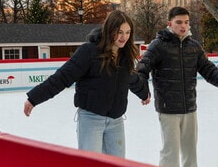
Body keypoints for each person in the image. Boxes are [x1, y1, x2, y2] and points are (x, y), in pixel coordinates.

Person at [24, 10, 150, 158]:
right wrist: (34, 98)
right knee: (91, 166)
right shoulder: (89, 52)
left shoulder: (125, 56)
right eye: (119, 32)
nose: (124, 37)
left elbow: (131, 78)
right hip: (91, 119)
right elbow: (62, 77)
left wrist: (144, 93)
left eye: (128, 32)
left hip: (116, 120)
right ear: (109, 30)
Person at [137, 6, 218, 167]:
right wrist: (143, 89)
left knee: (190, 152)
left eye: (186, 22)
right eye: (179, 22)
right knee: (171, 152)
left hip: (189, 107)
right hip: (168, 109)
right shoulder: (158, 46)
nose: (183, 26)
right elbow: (142, 68)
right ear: (169, 23)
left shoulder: (194, 47)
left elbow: (208, 69)